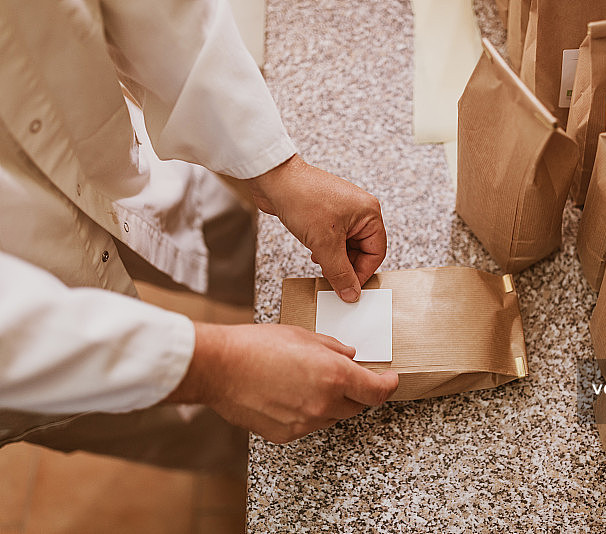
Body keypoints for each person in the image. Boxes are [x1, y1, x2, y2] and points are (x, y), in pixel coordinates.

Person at [0, 0, 398, 472]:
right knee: (143, 415)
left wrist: (277, 170)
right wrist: (215, 369)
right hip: (28, 347)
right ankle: (241, 456)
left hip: (106, 162)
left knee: (225, 239)